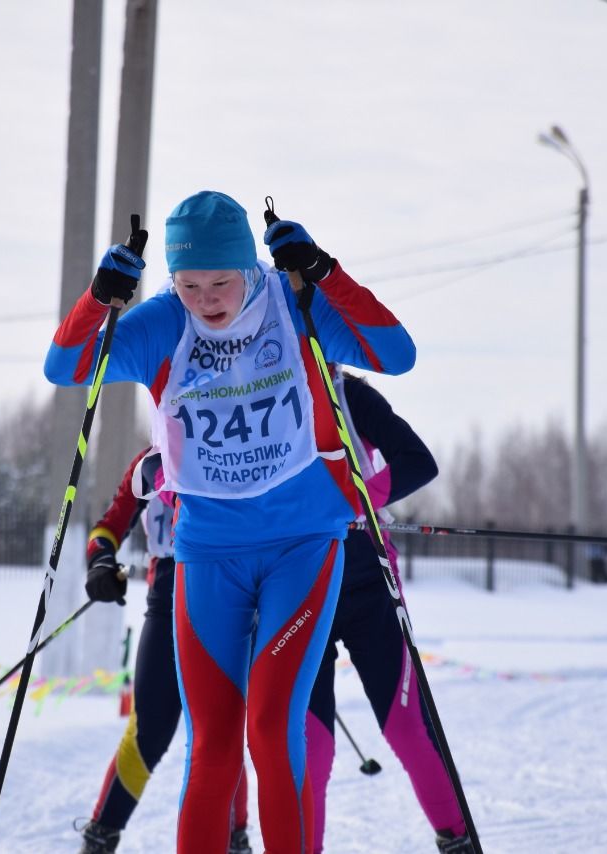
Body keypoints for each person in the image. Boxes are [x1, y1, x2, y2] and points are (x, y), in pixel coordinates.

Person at [45, 190, 416, 853]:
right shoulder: (164, 322)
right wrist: (100, 297)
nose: (208, 298)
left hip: (303, 543)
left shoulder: (292, 303)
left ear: (250, 266)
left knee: (272, 731)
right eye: (191, 284)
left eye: (222, 280)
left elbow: (396, 353)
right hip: (208, 551)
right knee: (211, 741)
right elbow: (67, 367)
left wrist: (326, 272)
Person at [305, 368, 473, 854]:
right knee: (310, 751)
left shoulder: (348, 394)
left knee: (407, 729)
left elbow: (418, 461)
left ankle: (457, 838)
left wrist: (353, 501)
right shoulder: (260, 392)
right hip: (298, 588)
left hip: (366, 579)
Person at [76, 447, 252, 854]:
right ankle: (101, 835)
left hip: (224, 596)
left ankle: (234, 837)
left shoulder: (230, 447)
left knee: (220, 730)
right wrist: (102, 562)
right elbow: (108, 526)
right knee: (149, 730)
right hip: (168, 596)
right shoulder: (148, 462)